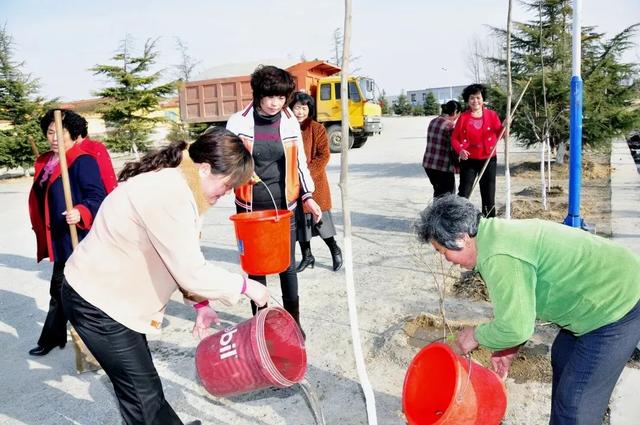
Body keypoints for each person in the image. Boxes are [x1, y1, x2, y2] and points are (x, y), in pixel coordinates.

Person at [61, 127, 269, 425]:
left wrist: (201, 305)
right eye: (226, 186)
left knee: (143, 387)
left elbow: (176, 256)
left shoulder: (178, 184)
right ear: (205, 168)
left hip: (114, 299)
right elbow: (191, 271)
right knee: (142, 395)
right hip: (99, 303)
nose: (225, 194)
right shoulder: (170, 195)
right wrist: (247, 286)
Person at [416, 194, 640, 425]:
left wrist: (474, 336)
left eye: (444, 252)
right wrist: (509, 347)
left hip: (616, 304)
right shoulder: (493, 235)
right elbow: (521, 307)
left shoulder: (499, 256)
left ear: (462, 238)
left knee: (575, 404)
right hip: (598, 297)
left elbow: (515, 327)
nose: (447, 260)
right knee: (563, 359)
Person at [226, 66, 321, 336]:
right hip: (250, 207)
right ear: (258, 94)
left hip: (284, 205)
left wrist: (308, 196)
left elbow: (300, 161)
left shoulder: (290, 120)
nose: (275, 104)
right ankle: (262, 325)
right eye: (270, 97)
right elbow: (228, 160)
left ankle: (294, 322)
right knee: (256, 268)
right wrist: (242, 171)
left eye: (281, 98)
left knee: (286, 265)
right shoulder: (238, 122)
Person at [27, 109, 112, 356]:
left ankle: (97, 343)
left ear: (74, 134)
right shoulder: (46, 161)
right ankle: (54, 337)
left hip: (79, 238)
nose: (54, 138)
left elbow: (98, 196)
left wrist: (82, 211)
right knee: (60, 289)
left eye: (60, 133)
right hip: (60, 237)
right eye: (50, 132)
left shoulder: (82, 160)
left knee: (76, 291)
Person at [289, 91, 342, 272]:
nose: (300, 112)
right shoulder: (286, 128)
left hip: (314, 183)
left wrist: (305, 173)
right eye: (297, 108)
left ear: (309, 109)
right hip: (293, 184)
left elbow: (324, 155)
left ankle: (335, 249)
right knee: (301, 224)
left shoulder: (316, 128)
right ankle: (307, 256)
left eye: (304, 108)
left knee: (321, 221)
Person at [450, 84, 503, 217]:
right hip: (469, 161)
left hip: (488, 159)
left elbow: (502, 133)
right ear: (468, 100)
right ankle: (460, 220)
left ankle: (490, 221)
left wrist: (506, 126)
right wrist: (460, 150)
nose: (475, 101)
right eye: (472, 98)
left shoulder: (492, 115)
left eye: (478, 97)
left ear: (483, 99)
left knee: (488, 194)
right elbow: (454, 138)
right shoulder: (463, 117)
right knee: (464, 193)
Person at [423, 100, 462, 198]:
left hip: (429, 165)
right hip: (442, 166)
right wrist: (459, 165)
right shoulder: (450, 125)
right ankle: (442, 213)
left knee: (438, 192)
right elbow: (453, 148)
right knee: (447, 195)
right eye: (459, 114)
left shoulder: (433, 121)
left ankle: (435, 212)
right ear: (455, 112)